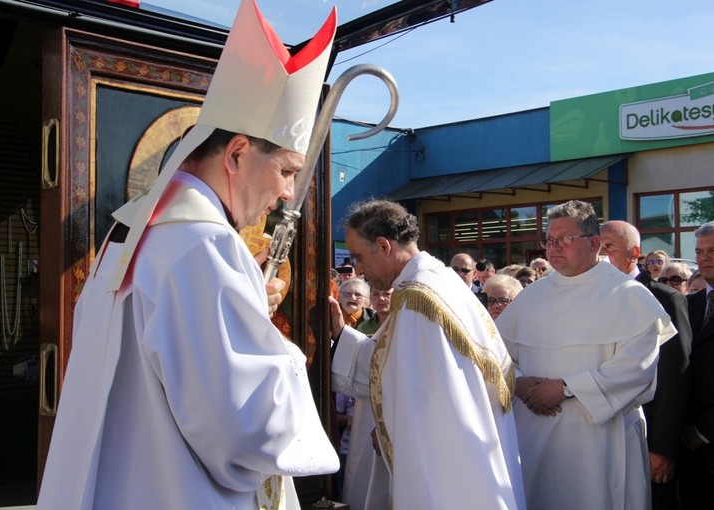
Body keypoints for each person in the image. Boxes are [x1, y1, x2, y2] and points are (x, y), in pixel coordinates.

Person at [37, 1, 340, 508]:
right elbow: (245, 433)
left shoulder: (135, 227)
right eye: (287, 171)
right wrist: (276, 347)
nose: (290, 192)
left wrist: (244, 310)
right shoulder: (205, 246)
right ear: (238, 153)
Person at [330, 199, 526, 509]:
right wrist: (341, 334)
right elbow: (394, 364)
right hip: (471, 446)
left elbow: (419, 395)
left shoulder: (416, 298)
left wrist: (387, 431)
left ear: (383, 245)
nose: (359, 269)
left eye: (359, 257)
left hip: (445, 458)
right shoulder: (439, 278)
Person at [496, 200, 676, 510]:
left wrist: (566, 387)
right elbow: (497, 356)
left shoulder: (628, 295)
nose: (554, 247)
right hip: (534, 439)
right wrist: (520, 383)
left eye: (564, 239)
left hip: (600, 441)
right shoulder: (531, 296)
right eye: (550, 240)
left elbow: (636, 371)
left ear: (594, 243)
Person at [599, 220, 692, 510]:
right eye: (597, 247)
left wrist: (662, 448)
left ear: (633, 252)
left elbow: (674, 375)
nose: (600, 256)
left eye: (609, 247)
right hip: (597, 438)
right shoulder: (589, 298)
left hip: (644, 437)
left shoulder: (664, 298)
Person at [337, 287, 393, 510]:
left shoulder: (405, 324)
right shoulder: (365, 328)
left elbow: (377, 364)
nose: (381, 299)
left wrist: (341, 333)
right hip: (366, 416)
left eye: (386, 294)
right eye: (376, 294)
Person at [679, 220, 714, 507]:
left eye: (713, 250)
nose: (704, 257)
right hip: (686, 448)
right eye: (700, 251)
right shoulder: (686, 306)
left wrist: (705, 431)